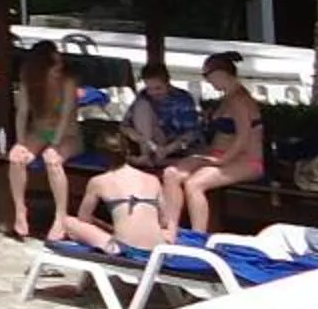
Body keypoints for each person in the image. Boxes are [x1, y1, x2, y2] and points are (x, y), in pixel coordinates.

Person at [162, 53, 265, 237]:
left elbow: (243, 138)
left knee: (194, 184)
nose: (208, 81)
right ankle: (169, 229)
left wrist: (221, 161)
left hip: (245, 160)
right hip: (218, 154)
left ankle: (198, 237)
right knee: (171, 174)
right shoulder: (227, 98)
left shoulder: (239, 100)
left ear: (221, 73)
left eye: (208, 76)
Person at [6, 40, 80, 238]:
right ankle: (20, 210)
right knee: (16, 158)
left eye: (60, 64)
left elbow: (65, 116)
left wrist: (55, 143)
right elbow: (22, 113)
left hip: (67, 133)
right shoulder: (29, 80)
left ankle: (60, 216)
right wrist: (20, 143)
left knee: (52, 159)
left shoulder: (67, 81)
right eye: (53, 65)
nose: (59, 68)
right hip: (39, 130)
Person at [54, 130, 168, 256]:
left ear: (100, 156)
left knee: (69, 222)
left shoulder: (98, 181)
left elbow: (84, 218)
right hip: (158, 251)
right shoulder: (153, 180)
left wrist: (107, 227)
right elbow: (164, 222)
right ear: (127, 152)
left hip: (125, 249)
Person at [124, 60, 205, 167]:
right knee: (142, 106)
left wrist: (167, 150)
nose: (153, 93)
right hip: (151, 144)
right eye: (149, 88)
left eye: (158, 88)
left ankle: (155, 161)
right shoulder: (143, 96)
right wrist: (140, 138)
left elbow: (192, 133)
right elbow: (125, 126)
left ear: (167, 82)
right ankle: (147, 157)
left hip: (177, 145)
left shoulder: (183, 99)